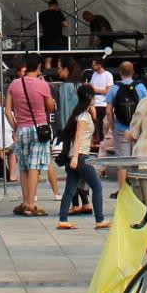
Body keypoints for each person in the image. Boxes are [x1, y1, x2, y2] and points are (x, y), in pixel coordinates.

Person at [6, 57, 55, 217]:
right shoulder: (43, 85)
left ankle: (25, 201)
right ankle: (31, 204)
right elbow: (50, 107)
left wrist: (16, 127)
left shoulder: (14, 84)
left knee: (24, 166)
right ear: (39, 66)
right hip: (39, 128)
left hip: (22, 128)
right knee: (34, 165)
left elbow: (7, 111)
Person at [53, 92, 104, 228]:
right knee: (97, 186)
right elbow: (78, 137)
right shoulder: (83, 117)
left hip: (76, 156)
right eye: (93, 96)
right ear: (89, 98)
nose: (95, 99)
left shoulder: (80, 115)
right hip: (80, 156)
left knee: (70, 189)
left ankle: (63, 220)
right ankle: (99, 219)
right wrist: (75, 158)